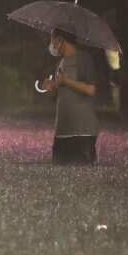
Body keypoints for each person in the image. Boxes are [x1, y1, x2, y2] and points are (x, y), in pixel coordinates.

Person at [41, 29, 101, 165]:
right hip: (63, 130)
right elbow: (58, 95)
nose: (51, 44)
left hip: (82, 131)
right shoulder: (60, 64)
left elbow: (91, 89)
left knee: (83, 172)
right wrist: (50, 88)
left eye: (52, 40)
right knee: (59, 170)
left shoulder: (84, 59)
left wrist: (66, 81)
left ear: (60, 40)